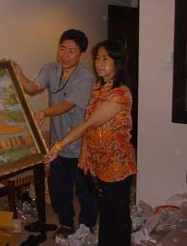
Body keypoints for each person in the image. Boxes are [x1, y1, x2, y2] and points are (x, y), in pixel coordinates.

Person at [45, 40, 138, 246]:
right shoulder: (98, 86)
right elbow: (91, 128)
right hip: (97, 161)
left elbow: (89, 123)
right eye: (97, 58)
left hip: (117, 164)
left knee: (117, 215)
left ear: (118, 62)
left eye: (105, 58)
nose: (99, 63)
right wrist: (84, 153)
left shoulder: (120, 93)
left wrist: (59, 146)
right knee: (105, 212)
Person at [14, 29, 97, 240]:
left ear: (81, 55)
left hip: (82, 143)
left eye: (71, 51)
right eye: (62, 48)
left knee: (85, 191)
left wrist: (44, 112)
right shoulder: (50, 69)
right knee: (61, 190)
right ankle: (67, 224)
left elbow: (68, 105)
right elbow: (33, 88)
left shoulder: (86, 76)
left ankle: (87, 225)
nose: (65, 55)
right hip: (58, 144)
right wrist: (19, 74)